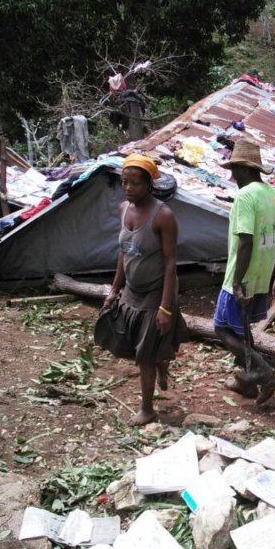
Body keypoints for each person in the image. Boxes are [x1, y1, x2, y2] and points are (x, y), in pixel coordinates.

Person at [94, 154, 184, 426]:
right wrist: (115, 289)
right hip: (132, 290)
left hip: (157, 292)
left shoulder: (163, 216)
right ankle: (161, 363)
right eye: (125, 182)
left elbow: (170, 264)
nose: (128, 188)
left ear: (149, 184)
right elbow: (124, 252)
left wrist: (165, 308)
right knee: (136, 344)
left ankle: (147, 409)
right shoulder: (123, 209)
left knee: (145, 354)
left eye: (135, 183)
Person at [213, 140, 275, 404]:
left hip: (242, 276)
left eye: (234, 170)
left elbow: (245, 240)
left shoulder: (245, 196)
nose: (232, 176)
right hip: (261, 277)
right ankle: (247, 382)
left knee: (221, 329)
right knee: (242, 331)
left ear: (245, 169)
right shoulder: (273, 195)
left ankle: (266, 374)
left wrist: (236, 282)